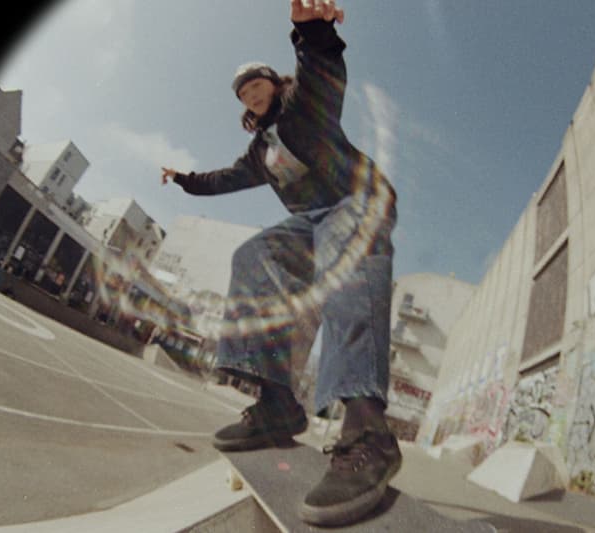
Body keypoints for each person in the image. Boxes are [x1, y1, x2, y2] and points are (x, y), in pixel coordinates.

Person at [161, 0, 399, 526]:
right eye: (244, 92)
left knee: (346, 258)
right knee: (254, 256)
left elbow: (323, 75)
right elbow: (222, 180)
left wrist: (311, 34)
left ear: (272, 82)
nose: (252, 93)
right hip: (310, 222)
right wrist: (182, 179)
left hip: (356, 202)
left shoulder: (301, 105)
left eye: (256, 84)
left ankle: (366, 430)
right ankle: (275, 404)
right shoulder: (259, 155)